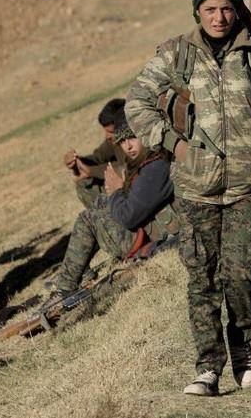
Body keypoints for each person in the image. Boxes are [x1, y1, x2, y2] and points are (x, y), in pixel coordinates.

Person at [125, 0, 251, 396]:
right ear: (197, 11)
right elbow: (136, 102)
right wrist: (172, 145)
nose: (219, 16)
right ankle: (208, 368)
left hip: (247, 188)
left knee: (242, 273)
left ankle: (244, 350)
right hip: (195, 188)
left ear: (237, 9)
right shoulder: (177, 54)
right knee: (202, 278)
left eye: (227, 7)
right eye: (210, 9)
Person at [44, 112, 176, 304]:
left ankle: (64, 288)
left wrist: (116, 192)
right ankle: (78, 269)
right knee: (99, 204)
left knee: (88, 219)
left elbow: (128, 217)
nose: (128, 146)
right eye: (123, 141)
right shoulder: (148, 160)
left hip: (155, 235)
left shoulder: (155, 167)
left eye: (133, 138)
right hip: (148, 225)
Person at [64, 98, 128, 209]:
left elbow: (129, 169)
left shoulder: (138, 140)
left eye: (111, 132)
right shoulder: (113, 141)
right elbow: (97, 157)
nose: (107, 136)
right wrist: (77, 161)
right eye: (106, 131)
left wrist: (91, 171)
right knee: (84, 183)